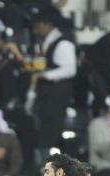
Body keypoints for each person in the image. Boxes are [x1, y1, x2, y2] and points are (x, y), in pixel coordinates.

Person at [31, 12, 74, 157]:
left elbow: (70, 69)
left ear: (47, 25)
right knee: (46, 130)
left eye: (37, 27)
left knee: (52, 130)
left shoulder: (63, 43)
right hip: (47, 97)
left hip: (56, 96)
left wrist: (44, 75)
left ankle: (52, 162)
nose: (35, 31)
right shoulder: (48, 42)